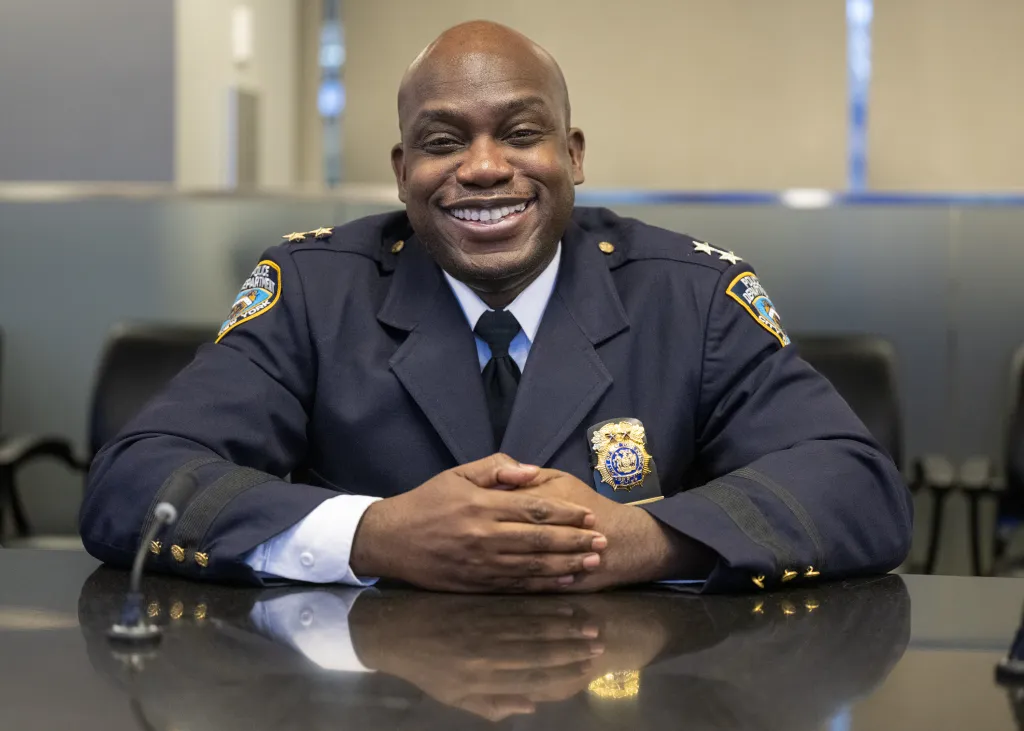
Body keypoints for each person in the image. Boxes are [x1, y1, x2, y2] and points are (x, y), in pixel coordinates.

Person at [79, 21, 912, 593]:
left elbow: (857, 486)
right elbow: (135, 480)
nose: (483, 168)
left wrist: (640, 541)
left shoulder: (689, 296)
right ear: (403, 169)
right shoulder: (313, 291)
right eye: (443, 142)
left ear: (573, 155)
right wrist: (373, 534)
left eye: (520, 133)